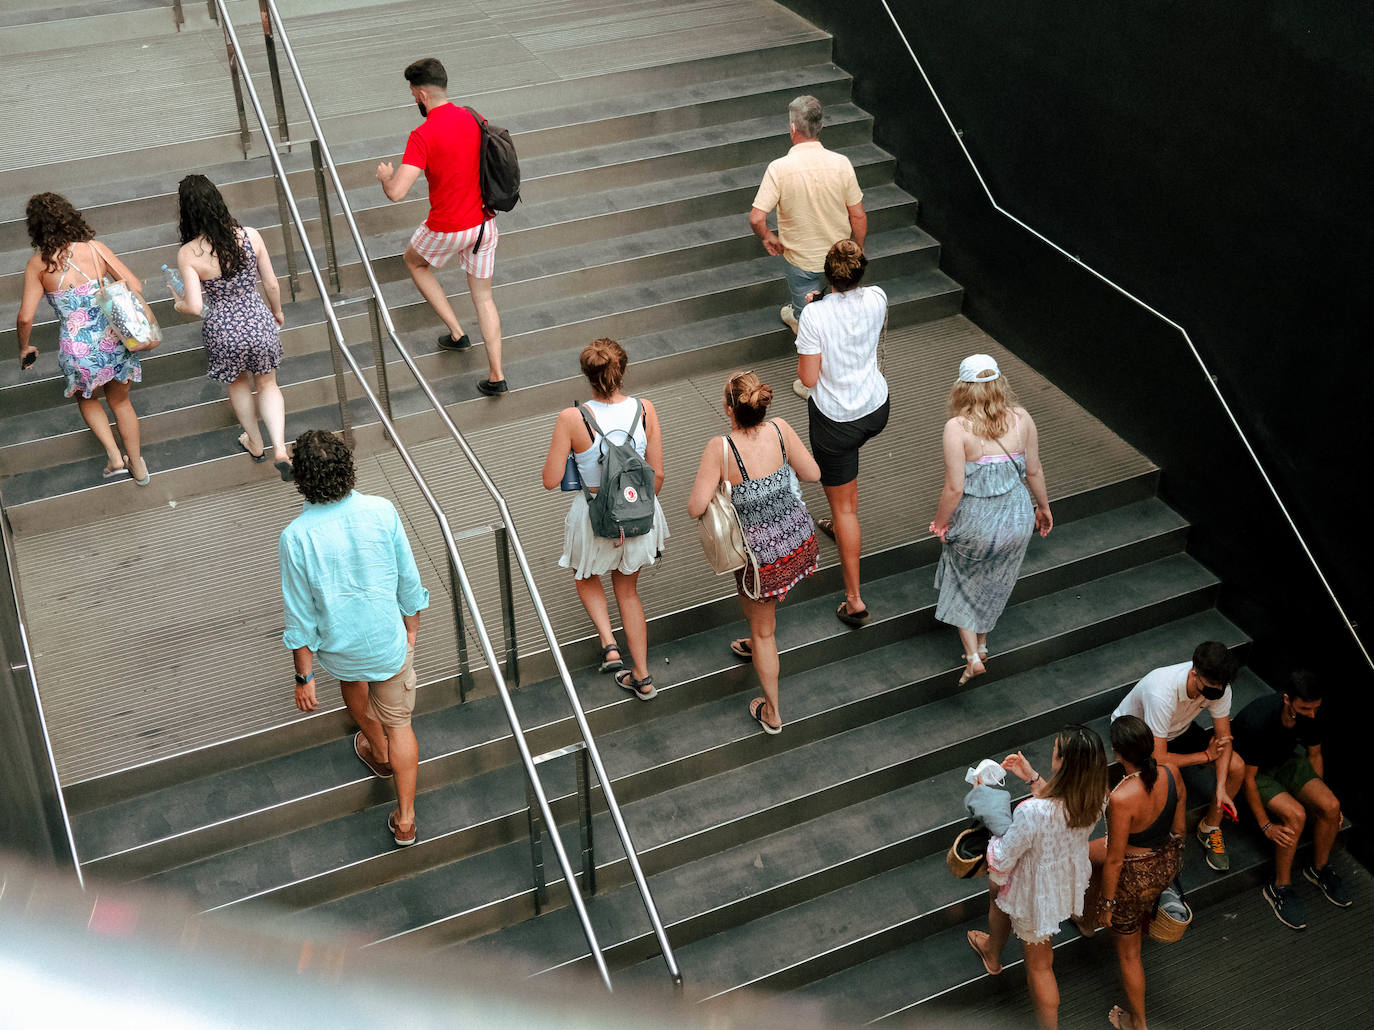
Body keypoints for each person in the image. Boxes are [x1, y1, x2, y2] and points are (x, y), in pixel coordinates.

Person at [279, 430, 430, 847]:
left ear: (302, 479)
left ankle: (376, 751)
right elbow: (408, 578)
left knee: (353, 685)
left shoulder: (295, 537)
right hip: (388, 640)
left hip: (340, 647)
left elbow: (299, 612)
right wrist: (412, 625)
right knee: (402, 724)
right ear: (347, 467)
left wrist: (304, 678)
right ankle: (406, 820)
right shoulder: (381, 510)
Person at [687, 371, 821, 735]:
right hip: (797, 542)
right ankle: (755, 636)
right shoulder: (780, 429)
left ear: (729, 409)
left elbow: (696, 506)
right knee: (759, 613)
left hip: (761, 561)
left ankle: (773, 712)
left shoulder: (722, 448)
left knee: (766, 632)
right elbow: (812, 472)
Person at [540, 339, 668, 699]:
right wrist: (632, 507)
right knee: (627, 590)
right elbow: (657, 474)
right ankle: (642, 677)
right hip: (639, 511)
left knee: (586, 577)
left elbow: (550, 480)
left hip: (595, 514)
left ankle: (610, 644)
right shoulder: (646, 409)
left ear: (588, 376)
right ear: (622, 371)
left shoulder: (573, 418)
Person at [376, 56, 507, 396]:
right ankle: (496, 376)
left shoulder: (422, 134)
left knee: (414, 261)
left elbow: (397, 193)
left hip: (447, 226)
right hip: (483, 224)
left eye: (411, 93)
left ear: (420, 94)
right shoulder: (473, 117)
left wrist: (385, 178)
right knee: (484, 298)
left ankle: (457, 333)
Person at [966, 725, 1109, 1030]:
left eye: (1055, 749)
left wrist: (987, 810)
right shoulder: (1096, 797)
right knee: (1000, 895)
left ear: (1062, 762)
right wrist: (1033, 778)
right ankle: (991, 950)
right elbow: (1059, 809)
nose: (1052, 751)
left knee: (1040, 966)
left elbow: (1002, 858)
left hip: (1034, 892)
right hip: (1063, 881)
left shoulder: (1032, 812)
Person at [928, 354, 1051, 686]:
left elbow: (954, 487)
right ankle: (982, 644)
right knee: (995, 581)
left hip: (976, 522)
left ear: (962, 389)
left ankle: (971, 658)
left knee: (961, 578)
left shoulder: (957, 429)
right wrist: (1044, 507)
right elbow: (1034, 469)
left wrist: (940, 523)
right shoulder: (1022, 418)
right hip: (1017, 517)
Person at [16, 193, 149, 485]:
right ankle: (137, 466)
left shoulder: (38, 265)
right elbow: (135, 285)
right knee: (121, 403)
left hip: (77, 349)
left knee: (87, 398)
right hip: (114, 339)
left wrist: (25, 346)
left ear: (36, 228)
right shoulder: (95, 249)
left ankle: (114, 456)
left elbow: (25, 317)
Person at [794, 240, 889, 627]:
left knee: (845, 507)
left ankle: (854, 600)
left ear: (828, 274)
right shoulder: (878, 298)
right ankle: (840, 520)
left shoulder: (815, 316)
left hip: (836, 422)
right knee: (846, 484)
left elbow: (807, 377)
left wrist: (812, 311)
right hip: (875, 409)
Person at [173, 174, 290, 480]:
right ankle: (280, 446)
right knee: (267, 385)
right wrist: (276, 312)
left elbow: (195, 306)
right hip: (257, 318)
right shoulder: (251, 235)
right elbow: (271, 283)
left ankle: (254, 442)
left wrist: (179, 303)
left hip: (223, 329)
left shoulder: (189, 253)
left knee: (238, 385)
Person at [748, 94, 866, 399]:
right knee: (836, 304)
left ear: (792, 128)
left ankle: (811, 382)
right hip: (838, 257)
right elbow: (858, 214)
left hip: (800, 258)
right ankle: (801, 320)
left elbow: (757, 217)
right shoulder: (841, 164)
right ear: (821, 126)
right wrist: (858, 250)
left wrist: (767, 236)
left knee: (808, 318)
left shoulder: (779, 168)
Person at [1078, 716, 1186, 1030]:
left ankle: (1138, 1022)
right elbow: (1179, 828)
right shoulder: (1171, 772)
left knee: (1129, 954)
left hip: (1134, 878)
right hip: (1165, 862)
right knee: (1088, 854)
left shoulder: (1122, 797)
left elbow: (1115, 860)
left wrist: (1107, 907)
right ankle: (1084, 920)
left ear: (1118, 753)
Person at [1110, 641, 1244, 872]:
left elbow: (1224, 739)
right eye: (1211, 686)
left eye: (1220, 687)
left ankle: (1210, 828)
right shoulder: (1162, 691)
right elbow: (1159, 757)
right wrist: (1204, 756)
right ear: (1194, 675)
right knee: (1165, 776)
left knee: (1237, 766)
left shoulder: (1219, 687)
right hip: (1136, 733)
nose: (1216, 692)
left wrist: (1221, 786)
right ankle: (1162, 847)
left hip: (1177, 729)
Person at [1233, 670, 1351, 930]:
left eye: (1316, 708)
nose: (1312, 714)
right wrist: (1266, 825)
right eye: (1305, 708)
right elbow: (1248, 779)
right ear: (1287, 700)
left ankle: (1319, 869)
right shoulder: (1259, 719)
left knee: (1331, 805)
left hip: (1286, 762)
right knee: (1295, 815)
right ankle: (1280, 887)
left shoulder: (1312, 713)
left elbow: (1315, 755)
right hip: (1255, 772)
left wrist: (1319, 800)